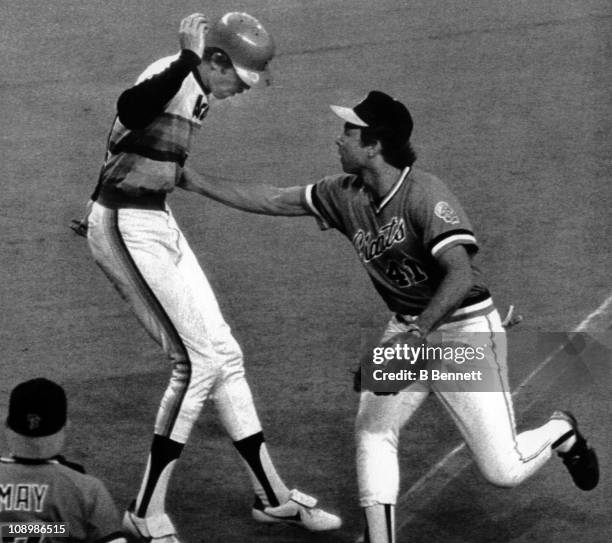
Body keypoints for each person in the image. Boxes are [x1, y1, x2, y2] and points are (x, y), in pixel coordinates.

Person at [178, 90, 600, 543]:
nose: (338, 140)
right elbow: (276, 199)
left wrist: (419, 333)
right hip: (407, 328)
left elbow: (459, 275)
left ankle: (561, 429)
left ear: (375, 146)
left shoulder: (425, 195)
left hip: (462, 331)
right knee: (373, 430)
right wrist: (194, 180)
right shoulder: (343, 193)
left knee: (503, 470)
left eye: (349, 132)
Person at [71, 11, 341, 542]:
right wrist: (188, 60)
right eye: (237, 80)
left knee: (225, 353)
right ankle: (144, 515)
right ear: (215, 59)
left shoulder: (198, 85)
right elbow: (131, 107)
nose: (239, 91)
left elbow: (143, 145)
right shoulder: (176, 71)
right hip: (126, 223)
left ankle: (273, 497)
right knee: (194, 363)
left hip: (153, 216)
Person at [0, 378, 124, 543]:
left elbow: (11, 530)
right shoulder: (87, 489)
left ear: (6, 425)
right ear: (66, 426)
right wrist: (58, 529)